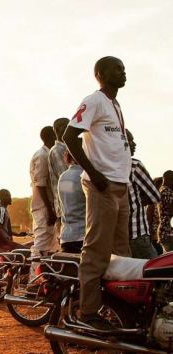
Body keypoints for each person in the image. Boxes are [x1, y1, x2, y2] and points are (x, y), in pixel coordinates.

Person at [64, 56, 131, 329]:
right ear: (101, 73)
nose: (124, 73)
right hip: (103, 187)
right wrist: (95, 174)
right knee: (96, 251)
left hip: (120, 186)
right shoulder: (94, 100)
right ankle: (88, 312)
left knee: (122, 253)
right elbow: (70, 137)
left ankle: (124, 311)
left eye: (124, 69)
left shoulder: (114, 104)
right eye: (118, 69)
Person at [126, 130, 160, 259]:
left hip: (115, 237)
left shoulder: (105, 166)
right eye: (130, 141)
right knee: (156, 274)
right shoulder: (134, 165)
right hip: (137, 233)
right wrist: (135, 202)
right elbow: (155, 196)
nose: (134, 144)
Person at [29, 125, 57, 258]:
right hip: (43, 207)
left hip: (47, 206)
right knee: (41, 245)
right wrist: (50, 210)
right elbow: (40, 185)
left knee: (49, 245)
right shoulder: (42, 155)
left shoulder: (48, 154)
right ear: (52, 137)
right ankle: (34, 276)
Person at [57, 145, 86, 253]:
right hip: (83, 237)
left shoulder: (63, 177)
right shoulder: (85, 176)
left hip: (66, 237)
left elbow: (69, 201)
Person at [48, 117, 70, 240]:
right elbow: (67, 180)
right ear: (60, 129)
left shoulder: (65, 149)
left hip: (69, 206)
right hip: (66, 206)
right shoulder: (57, 151)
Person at [148, 177, 164, 255]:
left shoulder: (162, 200)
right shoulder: (152, 202)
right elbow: (149, 219)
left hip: (160, 235)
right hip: (154, 236)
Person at [159, 170, 173, 252]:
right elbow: (171, 211)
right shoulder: (167, 192)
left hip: (164, 231)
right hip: (169, 233)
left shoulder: (161, 190)